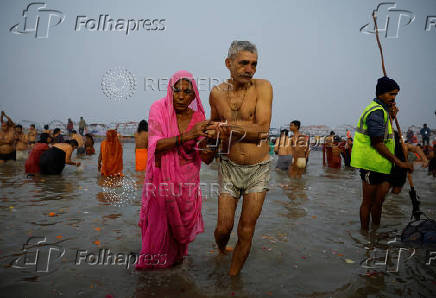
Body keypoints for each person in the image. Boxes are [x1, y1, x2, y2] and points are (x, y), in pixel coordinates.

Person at [136, 71, 214, 269]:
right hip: (160, 181)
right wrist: (190, 134)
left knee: (178, 238)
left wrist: (214, 141)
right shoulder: (158, 108)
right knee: (159, 226)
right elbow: (155, 146)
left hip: (186, 184)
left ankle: (173, 271)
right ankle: (151, 270)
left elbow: (206, 158)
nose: (181, 96)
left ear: (194, 95)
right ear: (170, 90)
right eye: (176, 90)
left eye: (187, 92)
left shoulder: (198, 117)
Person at [209, 41, 273, 276]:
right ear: (229, 63)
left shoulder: (264, 87)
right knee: (223, 228)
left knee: (246, 229)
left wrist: (228, 127)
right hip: (229, 166)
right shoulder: (216, 93)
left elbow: (263, 130)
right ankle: (220, 249)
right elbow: (213, 128)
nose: (250, 69)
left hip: (259, 169)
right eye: (244, 63)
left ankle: (232, 280)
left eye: (254, 64)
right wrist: (209, 141)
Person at [350, 76, 413, 231]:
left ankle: (375, 234)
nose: (394, 98)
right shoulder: (376, 112)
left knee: (379, 203)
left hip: (384, 165)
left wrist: (391, 117)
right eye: (391, 94)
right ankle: (365, 236)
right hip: (371, 164)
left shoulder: (384, 111)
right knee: (368, 203)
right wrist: (399, 162)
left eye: (396, 95)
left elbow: (384, 135)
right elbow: (377, 143)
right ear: (381, 94)